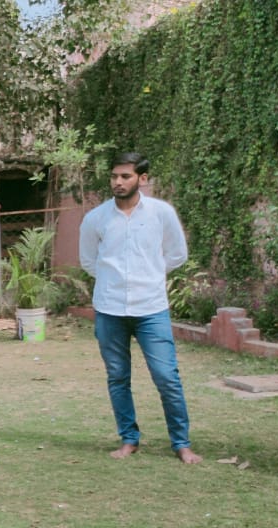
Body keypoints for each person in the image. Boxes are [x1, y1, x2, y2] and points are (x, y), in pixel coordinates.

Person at [79, 152, 202, 464]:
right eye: (114, 176)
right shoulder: (96, 218)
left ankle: (181, 443)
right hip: (109, 310)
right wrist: (114, 281)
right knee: (118, 377)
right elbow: (89, 261)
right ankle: (129, 439)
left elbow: (177, 254)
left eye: (125, 176)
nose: (118, 182)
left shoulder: (161, 213)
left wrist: (149, 274)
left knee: (166, 376)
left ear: (142, 179)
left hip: (151, 309)